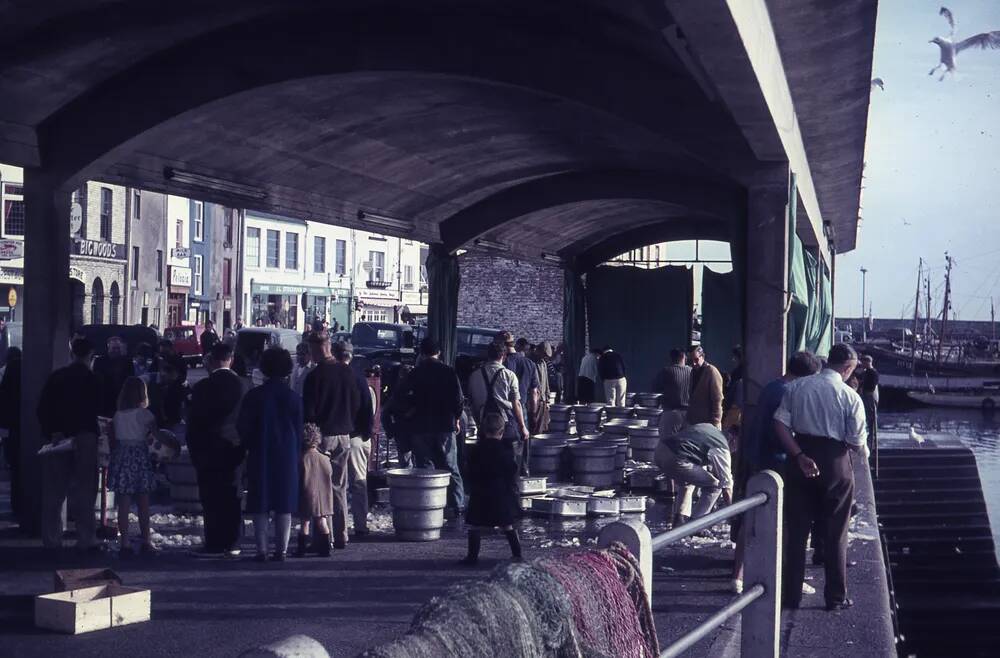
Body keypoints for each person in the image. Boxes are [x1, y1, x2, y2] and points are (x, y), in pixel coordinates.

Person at [773, 343, 868, 612]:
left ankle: (791, 596)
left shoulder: (797, 387)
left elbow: (779, 423)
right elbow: (856, 441)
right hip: (836, 462)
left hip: (801, 456)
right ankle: (835, 598)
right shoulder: (850, 397)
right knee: (836, 532)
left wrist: (799, 454)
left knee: (796, 530)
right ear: (848, 367)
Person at [731, 350, 821, 592]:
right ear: (805, 376)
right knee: (788, 522)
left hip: (756, 456)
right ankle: (787, 577)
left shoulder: (771, 386)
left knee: (749, 518)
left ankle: (737, 576)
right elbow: (780, 430)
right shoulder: (788, 392)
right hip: (777, 461)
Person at [37, 338, 101, 550]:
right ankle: (86, 538)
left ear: (72, 354)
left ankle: (52, 540)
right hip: (85, 436)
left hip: (59, 437)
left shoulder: (57, 377)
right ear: (90, 356)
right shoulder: (92, 379)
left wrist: (52, 431)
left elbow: (42, 408)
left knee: (54, 493)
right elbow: (102, 407)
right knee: (84, 490)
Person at [238, 347, 302, 562]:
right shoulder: (293, 398)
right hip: (287, 455)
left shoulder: (254, 396)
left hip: (260, 452)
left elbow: (243, 427)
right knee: (284, 504)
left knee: (260, 502)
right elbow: (299, 429)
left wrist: (248, 446)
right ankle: (281, 550)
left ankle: (261, 549)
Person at [187, 342, 248, 557]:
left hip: (208, 447)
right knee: (233, 495)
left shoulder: (203, 387)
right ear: (230, 359)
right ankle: (234, 541)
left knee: (211, 497)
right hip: (234, 447)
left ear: (212, 360)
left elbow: (194, 422)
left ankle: (214, 541)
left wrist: (194, 451)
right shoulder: (243, 385)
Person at [302, 333, 360, 549]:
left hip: (322, 436)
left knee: (319, 487)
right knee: (339, 487)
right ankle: (342, 533)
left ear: (317, 349)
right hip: (344, 436)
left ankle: (325, 536)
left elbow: (309, 412)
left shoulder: (314, 376)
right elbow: (356, 403)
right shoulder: (347, 372)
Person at [402, 338, 466, 517]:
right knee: (451, 466)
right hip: (445, 424)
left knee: (425, 467)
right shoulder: (449, 372)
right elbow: (459, 400)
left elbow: (403, 398)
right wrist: (457, 418)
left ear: (421, 353)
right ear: (439, 352)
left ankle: (429, 505)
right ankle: (457, 505)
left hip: (420, 425)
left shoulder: (415, 373)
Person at [460, 411, 522, 565]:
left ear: (483, 430)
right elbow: (512, 472)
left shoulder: (476, 450)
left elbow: (469, 471)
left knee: (475, 525)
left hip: (480, 493)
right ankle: (517, 555)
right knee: (507, 525)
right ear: (502, 432)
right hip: (501, 494)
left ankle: (472, 556)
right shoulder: (506, 451)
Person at [108, 377, 158, 556]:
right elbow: (156, 437)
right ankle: (146, 541)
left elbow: (113, 439)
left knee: (123, 504)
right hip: (139, 457)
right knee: (144, 503)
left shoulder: (117, 415)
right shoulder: (145, 415)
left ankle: (125, 543)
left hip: (122, 457)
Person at [654, 422, 734, 528]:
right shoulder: (722, 448)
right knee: (715, 486)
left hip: (660, 451)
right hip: (676, 458)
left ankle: (679, 520)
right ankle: (697, 525)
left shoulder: (709, 427)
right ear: (734, 440)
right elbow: (726, 487)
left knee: (689, 480)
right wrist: (735, 516)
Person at [467, 342, 530, 473]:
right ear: (504, 356)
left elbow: (472, 405)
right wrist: (523, 427)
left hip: (485, 425)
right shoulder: (509, 375)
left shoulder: (474, 376)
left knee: (487, 466)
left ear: (487, 355)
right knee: (509, 464)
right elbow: (516, 404)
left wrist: (479, 424)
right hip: (507, 425)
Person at [338, 343, 375, 537]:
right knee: (359, 483)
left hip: (340, 434)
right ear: (351, 356)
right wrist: (366, 433)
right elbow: (369, 409)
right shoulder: (360, 379)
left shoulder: (336, 378)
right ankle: (361, 525)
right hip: (358, 437)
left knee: (338, 484)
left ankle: (340, 526)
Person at [297, 423, 334, 557]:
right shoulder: (325, 458)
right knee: (322, 520)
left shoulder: (302, 458)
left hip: (307, 494)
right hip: (323, 494)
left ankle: (301, 549)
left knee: (305, 522)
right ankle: (325, 548)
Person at [0, 347, 22, 523]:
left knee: (14, 466)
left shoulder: (7, 375)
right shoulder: (24, 375)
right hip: (21, 426)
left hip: (10, 428)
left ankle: (17, 504)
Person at [94, 336, 136, 419]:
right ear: (108, 347)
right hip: (104, 398)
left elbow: (131, 380)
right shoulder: (99, 361)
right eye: (114, 348)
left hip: (122, 397)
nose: (116, 350)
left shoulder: (127, 362)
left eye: (118, 348)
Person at [653, 348, 691, 438]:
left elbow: (655, 388)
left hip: (671, 413)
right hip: (690, 414)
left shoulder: (666, 371)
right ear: (684, 357)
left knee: (668, 444)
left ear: (671, 358)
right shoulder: (692, 371)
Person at [686, 346, 724, 429]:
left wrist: (716, 422)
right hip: (695, 421)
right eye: (690, 361)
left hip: (709, 423)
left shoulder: (711, 371)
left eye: (696, 360)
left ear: (702, 356)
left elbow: (717, 398)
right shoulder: (693, 372)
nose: (693, 363)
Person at [504, 335, 539, 425]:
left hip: (504, 408)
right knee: (523, 435)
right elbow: (534, 392)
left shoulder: (503, 363)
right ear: (514, 345)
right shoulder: (530, 364)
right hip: (522, 406)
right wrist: (533, 414)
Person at [856, 355, 879, 453]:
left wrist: (863, 389)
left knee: (871, 417)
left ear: (868, 362)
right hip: (866, 395)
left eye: (864, 362)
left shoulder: (873, 372)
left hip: (870, 396)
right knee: (867, 416)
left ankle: (872, 437)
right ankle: (870, 436)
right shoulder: (866, 372)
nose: (862, 364)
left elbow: (872, 386)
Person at [530, 342, 553, 434]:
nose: (545, 357)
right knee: (534, 426)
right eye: (544, 354)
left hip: (543, 400)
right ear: (538, 351)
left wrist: (547, 398)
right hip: (534, 399)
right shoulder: (531, 362)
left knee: (542, 426)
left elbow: (546, 381)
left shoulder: (543, 362)